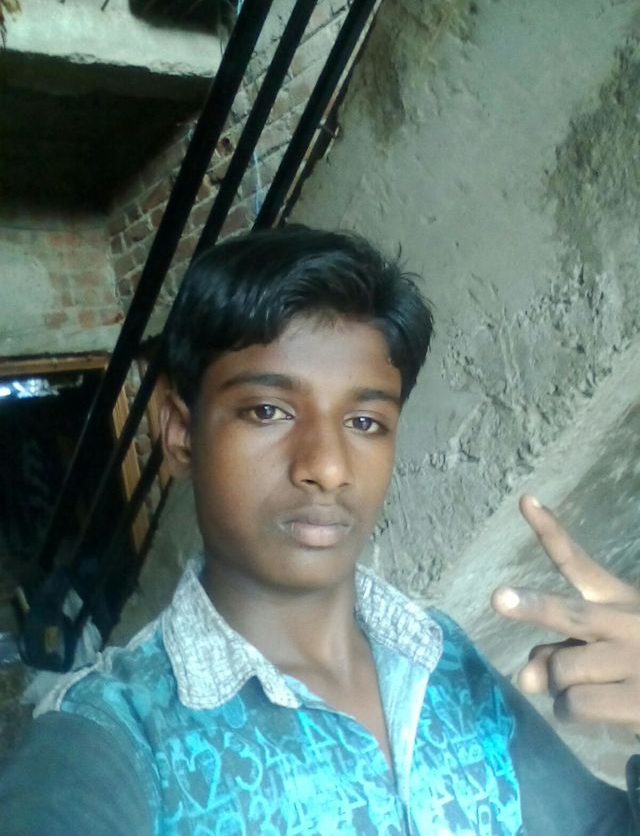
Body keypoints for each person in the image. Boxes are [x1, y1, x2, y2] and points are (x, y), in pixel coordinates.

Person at [1, 226, 639, 834]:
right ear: (180, 434)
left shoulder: (438, 654)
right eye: (267, 410)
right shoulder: (115, 736)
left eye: (365, 423)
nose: (328, 468)